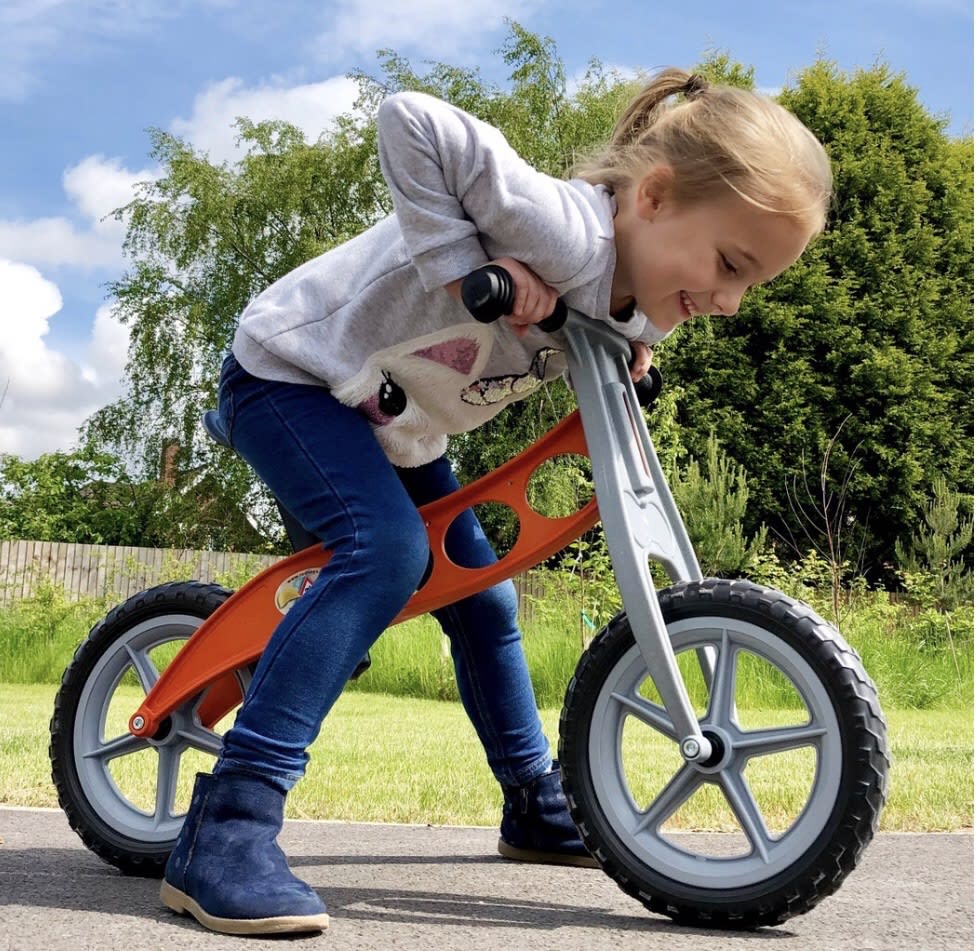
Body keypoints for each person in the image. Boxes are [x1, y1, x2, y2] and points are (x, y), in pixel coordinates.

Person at [159, 67, 832, 935]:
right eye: (731, 265)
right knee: (388, 553)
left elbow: (615, 321)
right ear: (655, 197)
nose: (732, 301)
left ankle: (534, 802)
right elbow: (412, 120)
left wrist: (629, 349)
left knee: (483, 591)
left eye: (753, 284)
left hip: (395, 427)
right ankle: (229, 824)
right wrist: (464, 267)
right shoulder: (559, 224)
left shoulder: (650, 299)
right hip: (296, 375)